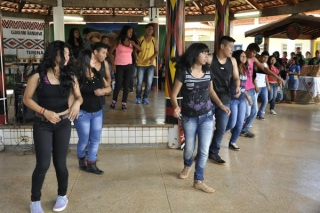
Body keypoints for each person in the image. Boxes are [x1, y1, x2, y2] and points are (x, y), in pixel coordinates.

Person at [23, 41, 83, 213]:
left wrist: (77, 104)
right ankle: (35, 200)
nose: (67, 57)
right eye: (63, 53)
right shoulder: (38, 76)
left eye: (68, 54)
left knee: (60, 164)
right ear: (53, 54)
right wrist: (45, 111)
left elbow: (79, 97)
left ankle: (62, 195)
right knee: (42, 164)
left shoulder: (70, 76)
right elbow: (26, 99)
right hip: (42, 124)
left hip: (63, 123)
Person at [170, 43, 227, 193]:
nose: (207, 56)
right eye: (204, 53)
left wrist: (221, 105)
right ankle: (187, 164)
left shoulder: (208, 72)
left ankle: (198, 180)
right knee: (189, 148)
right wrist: (176, 107)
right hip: (189, 118)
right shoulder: (184, 73)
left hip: (207, 116)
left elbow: (211, 91)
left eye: (207, 53)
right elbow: (174, 94)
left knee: (203, 151)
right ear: (195, 55)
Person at [74, 49, 111, 175]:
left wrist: (103, 91)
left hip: (97, 112)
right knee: (84, 140)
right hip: (82, 113)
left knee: (95, 139)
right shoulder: (77, 77)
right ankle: (81, 158)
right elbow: (73, 96)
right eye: (91, 58)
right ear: (85, 60)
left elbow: (109, 88)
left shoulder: (97, 74)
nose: (94, 60)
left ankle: (91, 163)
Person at [240, 43, 283, 138]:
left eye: (256, 53)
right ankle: (237, 127)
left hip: (252, 89)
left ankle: (244, 129)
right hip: (244, 89)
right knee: (246, 113)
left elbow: (264, 68)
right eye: (253, 52)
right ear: (248, 50)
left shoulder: (253, 59)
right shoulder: (241, 58)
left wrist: (276, 77)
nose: (254, 55)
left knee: (254, 111)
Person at [207, 36, 238, 164]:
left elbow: (236, 77)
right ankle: (203, 152)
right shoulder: (209, 59)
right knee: (206, 128)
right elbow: (209, 87)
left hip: (225, 98)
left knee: (221, 128)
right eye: (230, 47)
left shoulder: (233, 61)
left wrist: (237, 86)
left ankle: (213, 152)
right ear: (222, 46)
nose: (232, 50)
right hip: (209, 98)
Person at [108, 25, 141, 110]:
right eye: (129, 31)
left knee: (126, 86)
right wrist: (113, 64)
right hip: (119, 66)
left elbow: (140, 50)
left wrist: (134, 44)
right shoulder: (118, 41)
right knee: (118, 84)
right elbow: (110, 52)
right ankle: (114, 102)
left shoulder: (131, 42)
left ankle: (124, 103)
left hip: (129, 66)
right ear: (125, 31)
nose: (131, 33)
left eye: (132, 32)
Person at [225, 50, 252, 151]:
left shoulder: (245, 69)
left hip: (242, 100)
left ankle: (233, 142)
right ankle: (219, 132)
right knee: (232, 123)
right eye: (242, 56)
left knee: (240, 122)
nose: (244, 58)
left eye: (245, 56)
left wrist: (248, 97)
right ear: (236, 57)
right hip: (233, 99)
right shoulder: (233, 69)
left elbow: (242, 88)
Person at [135, 23, 159, 104]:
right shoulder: (140, 39)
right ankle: (138, 97)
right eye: (148, 28)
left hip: (151, 64)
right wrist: (136, 58)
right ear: (145, 29)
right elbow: (135, 50)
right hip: (141, 64)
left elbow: (157, 52)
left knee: (149, 82)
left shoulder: (154, 40)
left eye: (151, 29)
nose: (150, 30)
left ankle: (145, 97)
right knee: (139, 82)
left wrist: (152, 58)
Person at [92, 42, 112, 116]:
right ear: (95, 52)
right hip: (87, 100)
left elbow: (108, 78)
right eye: (103, 53)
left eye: (106, 53)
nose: (105, 55)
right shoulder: (87, 64)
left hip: (101, 100)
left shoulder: (105, 63)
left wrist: (105, 90)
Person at [256, 51, 270, 120]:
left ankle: (260, 113)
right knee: (254, 102)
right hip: (256, 86)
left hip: (263, 86)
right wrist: (255, 85)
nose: (265, 59)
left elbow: (266, 76)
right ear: (261, 57)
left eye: (267, 58)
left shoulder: (265, 65)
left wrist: (268, 85)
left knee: (265, 100)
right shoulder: (256, 64)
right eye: (264, 57)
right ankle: (251, 115)